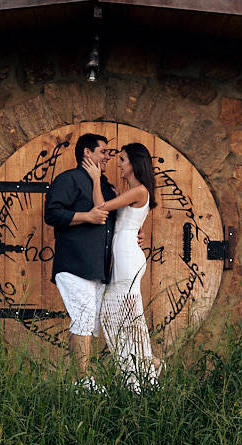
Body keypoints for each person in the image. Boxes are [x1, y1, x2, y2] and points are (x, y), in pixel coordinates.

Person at [87, 142, 162, 391]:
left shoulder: (139, 190)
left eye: (122, 159)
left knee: (128, 317)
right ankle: (148, 364)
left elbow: (101, 208)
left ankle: (143, 374)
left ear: (134, 163)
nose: (119, 164)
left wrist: (95, 180)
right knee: (114, 316)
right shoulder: (131, 191)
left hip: (128, 259)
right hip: (124, 256)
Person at [43, 133, 116, 387]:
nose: (108, 157)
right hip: (75, 264)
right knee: (83, 319)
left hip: (97, 267)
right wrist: (86, 217)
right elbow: (52, 213)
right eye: (103, 151)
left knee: (90, 324)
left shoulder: (104, 185)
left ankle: (84, 378)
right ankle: (83, 381)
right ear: (87, 152)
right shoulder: (69, 179)